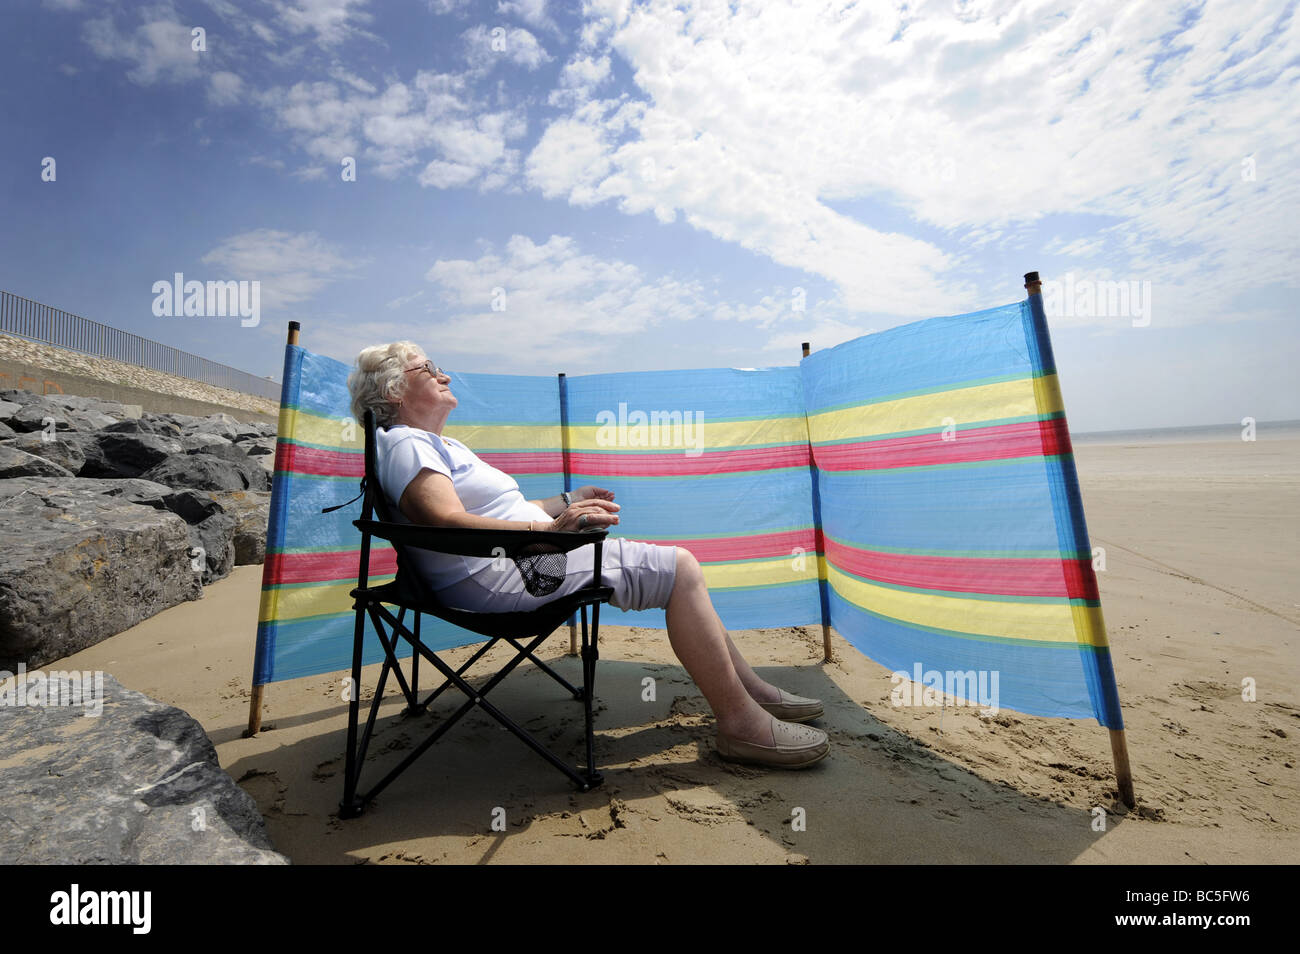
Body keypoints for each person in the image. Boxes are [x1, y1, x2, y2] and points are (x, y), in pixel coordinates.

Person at [347, 341, 829, 769]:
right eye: (427, 368)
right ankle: (741, 725)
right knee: (680, 568)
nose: (443, 374)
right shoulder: (408, 443)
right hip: (503, 578)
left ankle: (753, 694)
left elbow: (504, 509)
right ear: (394, 391)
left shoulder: (428, 444)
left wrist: (567, 502)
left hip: (513, 563)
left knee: (678, 567)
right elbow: (446, 522)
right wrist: (551, 530)